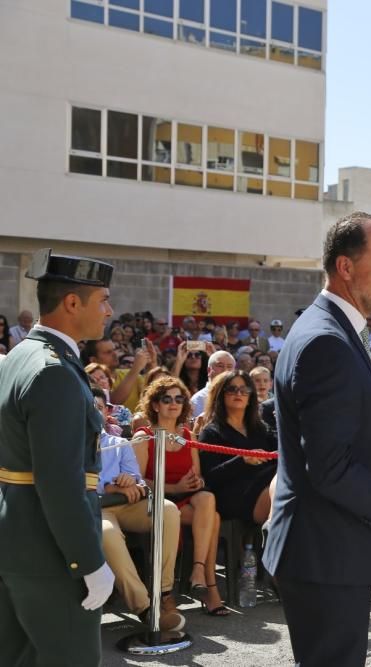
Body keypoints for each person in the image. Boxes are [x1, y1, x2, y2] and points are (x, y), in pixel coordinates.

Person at [263, 212, 371, 666]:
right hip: (326, 553)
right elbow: (330, 466)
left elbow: (335, 446)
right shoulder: (327, 341)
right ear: (345, 267)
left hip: (326, 549)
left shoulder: (330, 329)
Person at [0, 249, 115, 665]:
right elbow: (60, 482)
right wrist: (87, 561)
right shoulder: (54, 370)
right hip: (51, 553)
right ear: (71, 303)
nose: (109, 309)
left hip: (19, 538)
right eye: (102, 299)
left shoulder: (21, 356)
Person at [133, 376, 227, 615]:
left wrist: (198, 481)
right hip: (154, 501)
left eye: (179, 398)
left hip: (185, 499)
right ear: (155, 405)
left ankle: (197, 570)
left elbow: (198, 476)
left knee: (207, 498)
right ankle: (209, 586)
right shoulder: (143, 435)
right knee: (213, 518)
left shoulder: (187, 435)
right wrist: (174, 488)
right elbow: (139, 481)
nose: (173, 403)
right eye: (166, 399)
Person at [94, 388, 185, 632]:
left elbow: (139, 481)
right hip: (95, 509)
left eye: (98, 407)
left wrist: (128, 481)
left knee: (168, 510)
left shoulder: (118, 443)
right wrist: (110, 486)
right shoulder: (68, 443)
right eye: (87, 406)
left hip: (127, 504)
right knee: (106, 533)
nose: (92, 412)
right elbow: (72, 483)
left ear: (107, 412)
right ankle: (144, 608)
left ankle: (164, 592)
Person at [197, 370, 278, 525]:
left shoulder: (260, 427)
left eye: (245, 389)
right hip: (235, 495)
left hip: (267, 483)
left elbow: (281, 451)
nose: (239, 393)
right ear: (221, 394)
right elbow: (210, 478)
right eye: (232, 389)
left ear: (250, 396)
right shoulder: (211, 432)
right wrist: (242, 460)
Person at [190, 350, 236, 419]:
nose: (225, 370)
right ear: (209, 370)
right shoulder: (197, 400)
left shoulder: (239, 396)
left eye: (229, 367)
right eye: (220, 366)